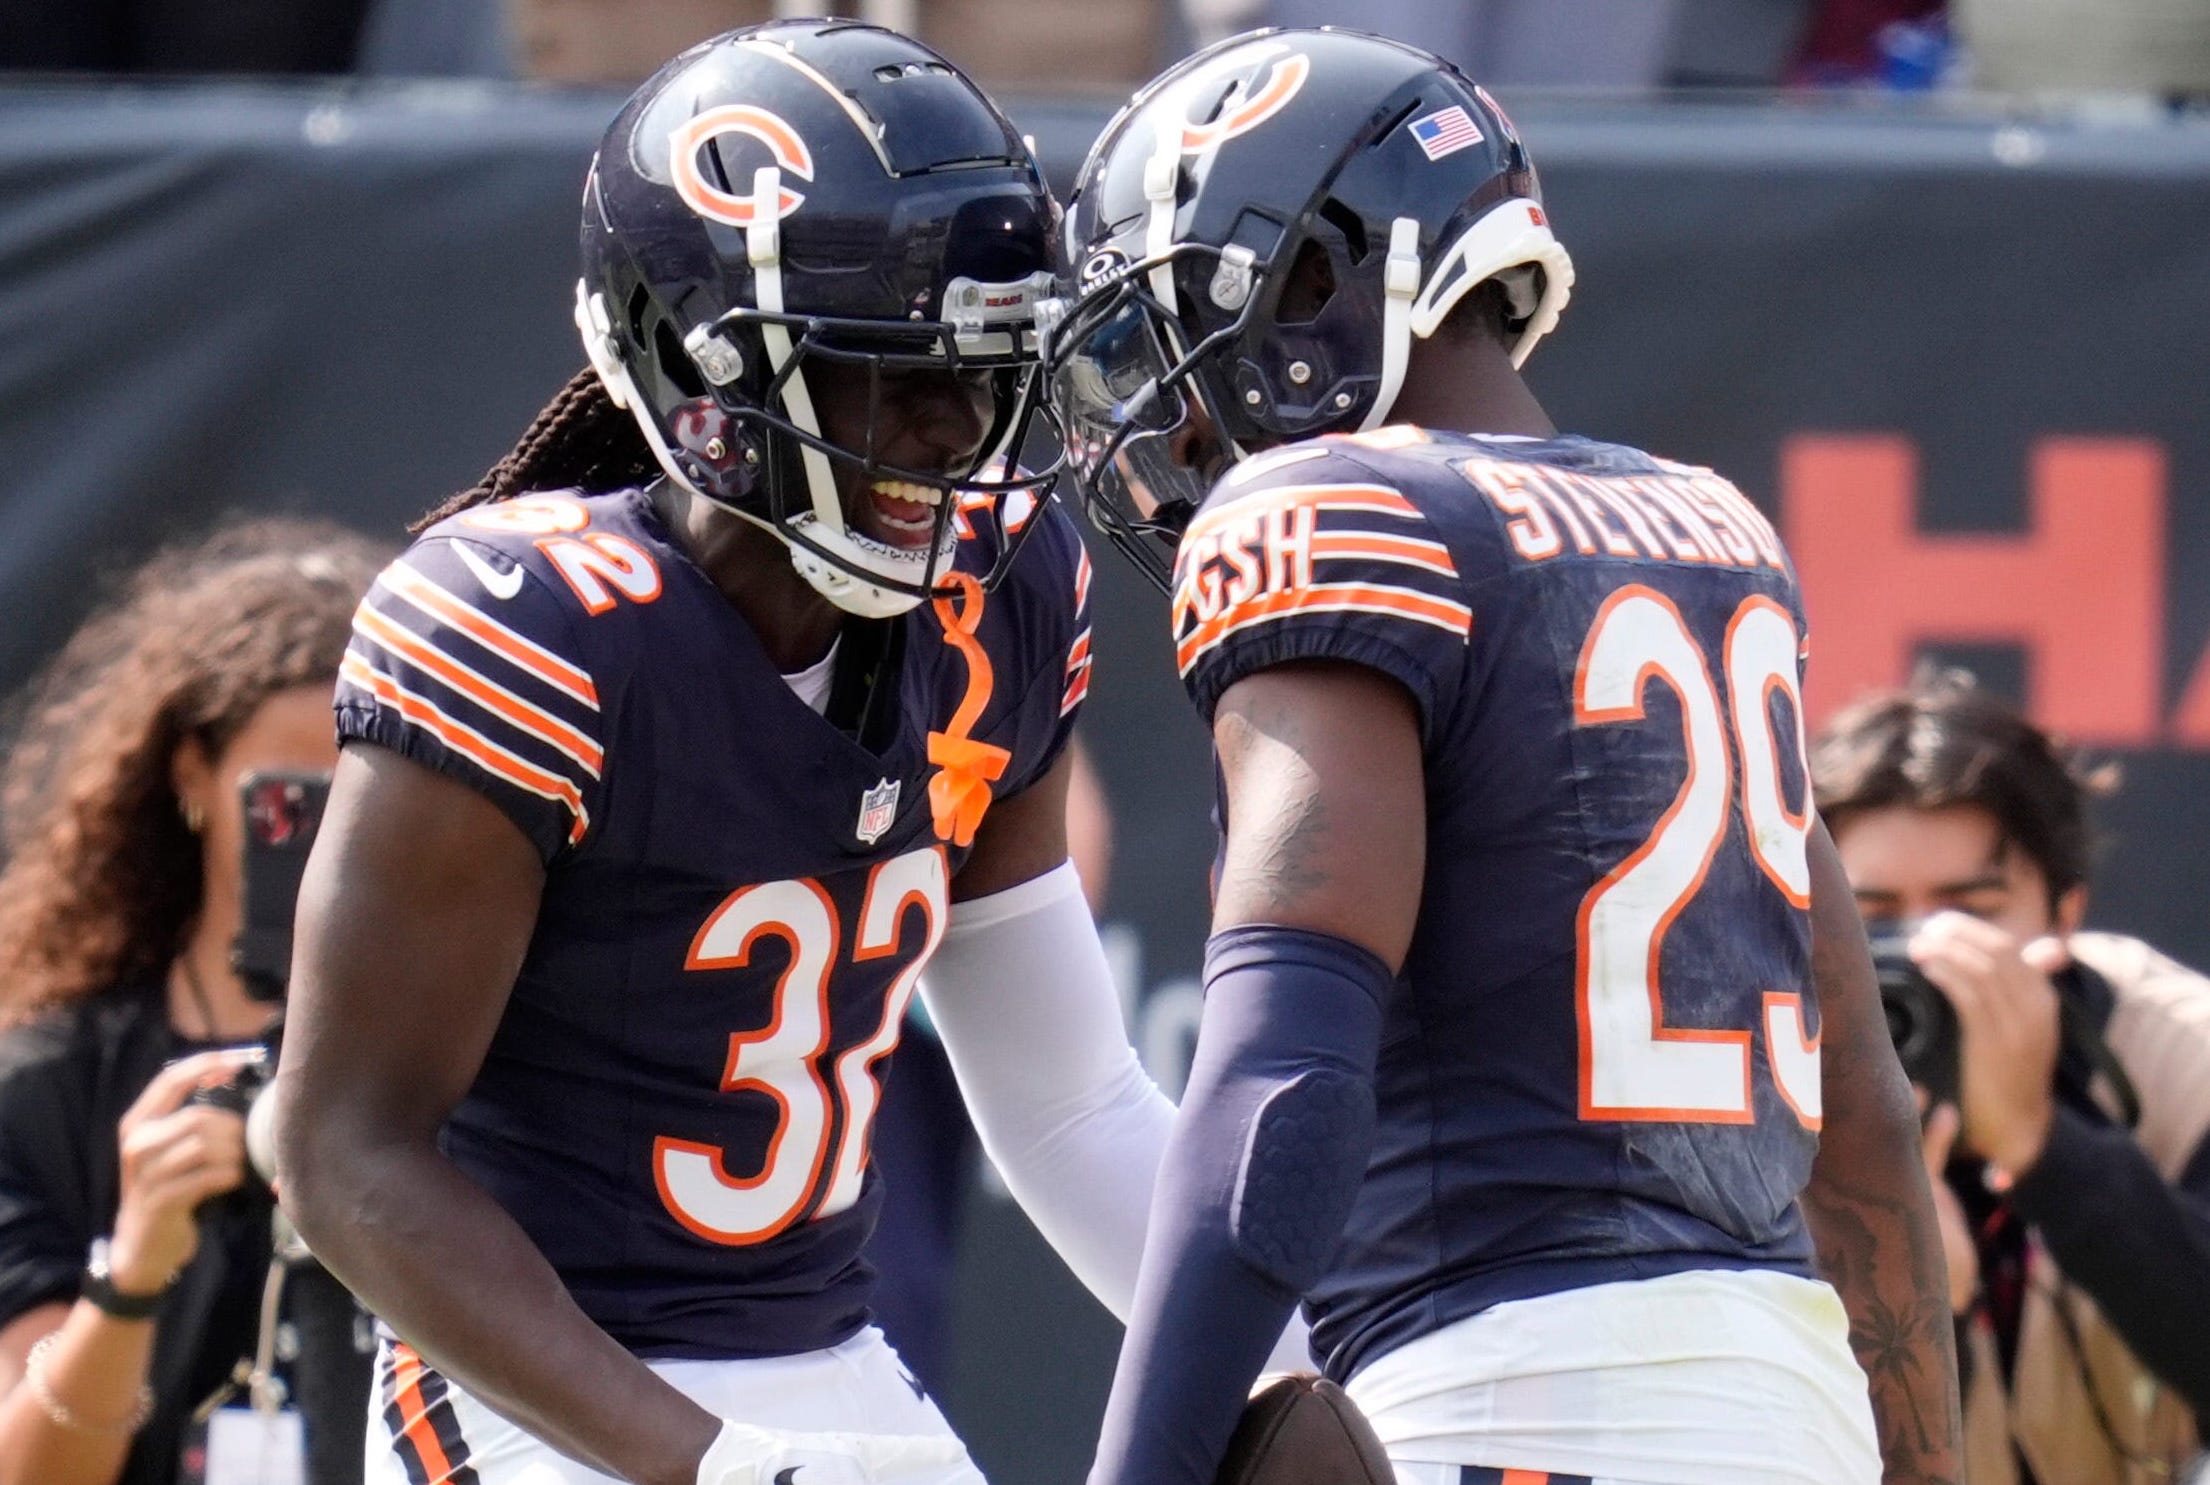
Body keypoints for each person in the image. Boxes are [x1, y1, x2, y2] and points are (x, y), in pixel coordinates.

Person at [272, 21, 1299, 1485]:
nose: (955, 437)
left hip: (822, 1354)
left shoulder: (1002, 598)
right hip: (544, 1388)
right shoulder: (538, 627)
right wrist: (719, 1466)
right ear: (698, 370)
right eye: (892, 379)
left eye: (983, 374)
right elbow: (348, 1160)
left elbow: (1067, 1100)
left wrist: (1295, 1357)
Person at [1045, 28, 1960, 1485]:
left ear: (1303, 286)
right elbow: (1859, 1120)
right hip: (1792, 1406)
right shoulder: (1711, 530)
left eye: (1173, 330)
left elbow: (1280, 1080)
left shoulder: (1331, 512)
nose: (1170, 411)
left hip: (1516, 1406)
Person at [0, 521, 385, 1485]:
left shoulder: (474, 1060)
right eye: (292, 796)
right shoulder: (49, 1089)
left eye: (371, 791)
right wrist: (131, 1277)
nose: (329, 832)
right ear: (190, 777)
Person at [1813, 673, 2210, 1484]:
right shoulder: (1764, 1070)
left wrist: (2045, 1147)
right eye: (1874, 915)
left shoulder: (2186, 1051)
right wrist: (1909, 1310)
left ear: (2065, 910)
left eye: (1972, 909)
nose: (1926, 951)